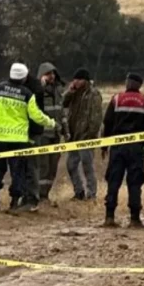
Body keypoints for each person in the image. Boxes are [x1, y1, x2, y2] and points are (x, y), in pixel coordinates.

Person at [0, 62, 58, 212]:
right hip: (18, 139)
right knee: (18, 172)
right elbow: (36, 116)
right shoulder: (27, 94)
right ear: (24, 77)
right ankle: (14, 202)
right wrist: (52, 123)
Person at [100, 73, 144, 227]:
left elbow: (107, 123)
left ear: (127, 83)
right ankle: (134, 218)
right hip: (137, 148)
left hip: (118, 146)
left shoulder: (116, 99)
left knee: (113, 180)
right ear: (140, 85)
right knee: (135, 182)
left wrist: (104, 145)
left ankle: (109, 217)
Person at [62, 68, 103, 201]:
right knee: (71, 165)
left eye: (78, 79)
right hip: (73, 135)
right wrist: (69, 92)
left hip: (86, 136)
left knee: (87, 165)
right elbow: (62, 103)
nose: (76, 82)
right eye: (74, 79)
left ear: (84, 80)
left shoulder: (93, 94)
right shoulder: (74, 93)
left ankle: (91, 194)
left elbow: (96, 117)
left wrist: (91, 134)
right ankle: (78, 191)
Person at [32, 62, 66, 204]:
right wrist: (41, 86)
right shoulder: (37, 91)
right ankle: (38, 195)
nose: (51, 76)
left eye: (53, 73)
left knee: (53, 166)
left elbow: (62, 111)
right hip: (43, 135)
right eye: (48, 74)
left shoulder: (59, 90)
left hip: (56, 134)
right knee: (43, 166)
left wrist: (65, 128)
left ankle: (45, 194)